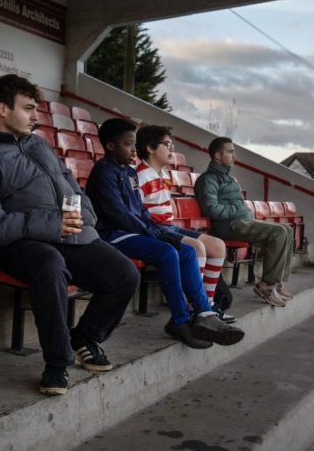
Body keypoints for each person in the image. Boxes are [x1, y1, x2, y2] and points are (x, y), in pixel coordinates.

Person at [0, 75, 139, 396]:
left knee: (124, 273)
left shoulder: (39, 145)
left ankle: (86, 337)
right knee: (50, 264)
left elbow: (69, 186)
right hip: (15, 244)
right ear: (2, 109)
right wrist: (50, 224)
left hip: (66, 236)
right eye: (27, 109)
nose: (36, 117)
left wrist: (86, 215)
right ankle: (57, 363)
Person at [85, 118, 244, 349]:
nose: (134, 149)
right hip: (113, 234)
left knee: (188, 251)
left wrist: (155, 229)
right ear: (111, 146)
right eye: (129, 144)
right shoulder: (104, 173)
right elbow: (119, 215)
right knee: (168, 252)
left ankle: (204, 314)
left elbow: (139, 210)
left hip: (135, 230)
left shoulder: (127, 172)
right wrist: (156, 233)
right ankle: (179, 321)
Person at [134, 125, 234, 323]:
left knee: (218, 246)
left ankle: (209, 304)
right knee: (197, 247)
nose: (172, 150)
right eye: (167, 144)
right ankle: (197, 306)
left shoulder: (164, 175)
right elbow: (136, 214)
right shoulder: (140, 176)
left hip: (169, 226)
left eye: (172, 145)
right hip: (155, 231)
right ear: (150, 148)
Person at [195, 137, 294, 307]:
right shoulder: (208, 179)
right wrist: (237, 209)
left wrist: (239, 210)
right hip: (228, 226)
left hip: (241, 222)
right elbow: (210, 209)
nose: (234, 156)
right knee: (278, 232)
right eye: (230, 151)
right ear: (218, 155)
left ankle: (276, 283)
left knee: (287, 228)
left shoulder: (231, 179)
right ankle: (267, 286)